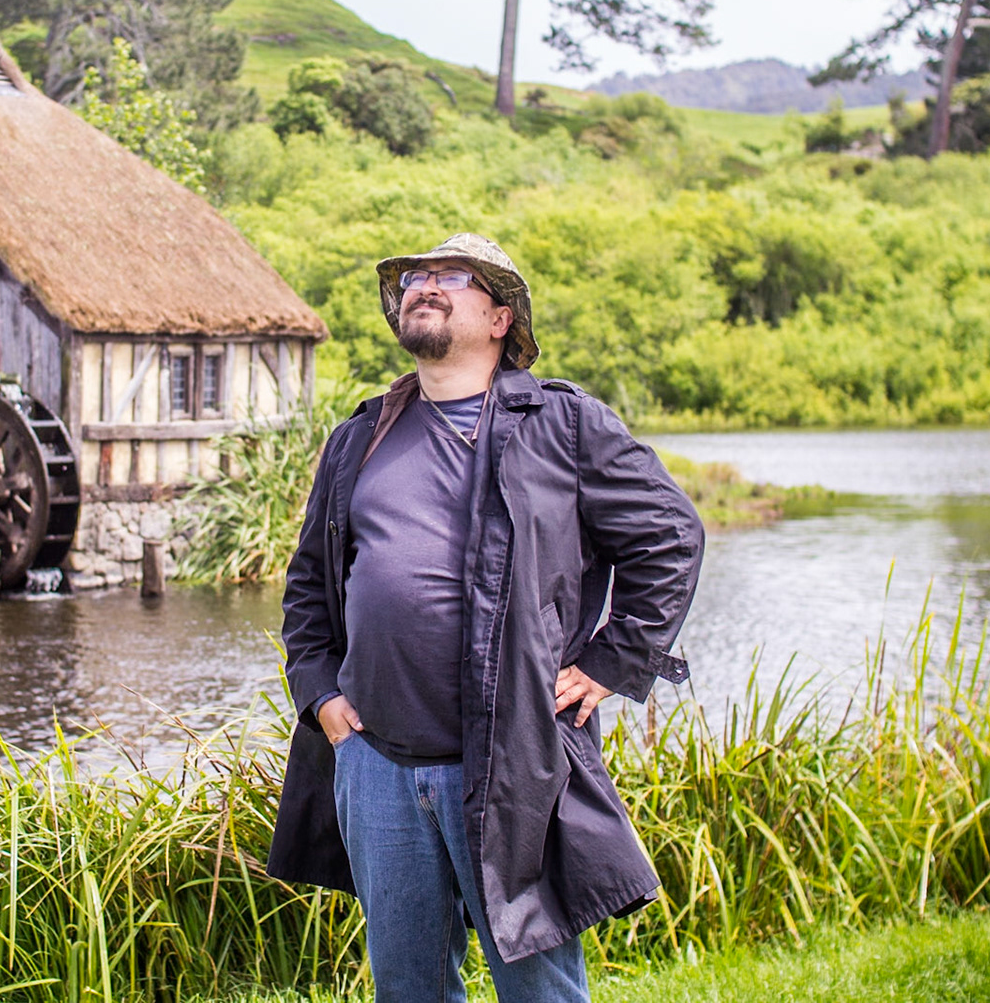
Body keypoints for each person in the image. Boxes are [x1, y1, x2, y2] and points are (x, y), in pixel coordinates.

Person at [267, 233, 704, 1003]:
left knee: (537, 989)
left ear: (501, 317)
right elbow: (309, 586)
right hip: (377, 764)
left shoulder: (564, 425)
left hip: (512, 763)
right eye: (415, 278)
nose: (424, 286)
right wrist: (321, 697)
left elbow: (670, 536)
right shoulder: (357, 438)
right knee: (409, 989)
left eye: (450, 278)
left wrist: (611, 664)